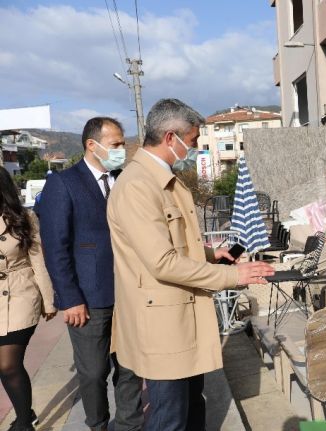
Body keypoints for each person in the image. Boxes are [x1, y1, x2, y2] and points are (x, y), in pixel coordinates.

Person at [107, 98, 274, 431]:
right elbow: (163, 262)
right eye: (194, 141)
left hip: (179, 319)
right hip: (163, 327)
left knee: (191, 409)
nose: (195, 148)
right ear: (171, 137)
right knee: (170, 418)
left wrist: (212, 254)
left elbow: (174, 243)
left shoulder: (160, 178)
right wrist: (232, 274)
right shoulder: (138, 185)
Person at [39, 117, 143, 431]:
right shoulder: (64, 183)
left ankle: (129, 425)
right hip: (89, 297)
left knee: (130, 368)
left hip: (129, 293)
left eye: (123, 144)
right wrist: (70, 299)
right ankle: (98, 424)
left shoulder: (124, 180)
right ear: (91, 145)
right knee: (94, 372)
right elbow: (55, 247)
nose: (121, 150)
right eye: (115, 144)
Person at [0, 166, 56, 431]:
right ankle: (27, 411)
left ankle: (23, 422)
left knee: (8, 363)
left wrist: (49, 300)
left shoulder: (24, 218)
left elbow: (38, 261)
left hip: (21, 294)